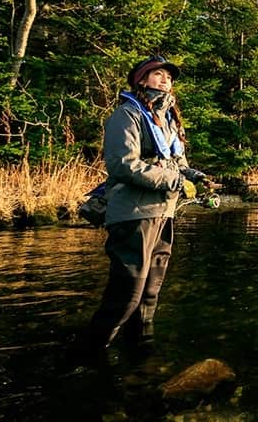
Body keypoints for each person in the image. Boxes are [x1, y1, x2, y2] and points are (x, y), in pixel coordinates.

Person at [78, 55, 210, 355]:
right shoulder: (126, 115)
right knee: (127, 294)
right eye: (158, 74)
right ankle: (87, 355)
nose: (166, 80)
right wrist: (176, 182)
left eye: (169, 77)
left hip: (164, 214)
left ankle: (140, 354)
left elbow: (178, 165)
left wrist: (196, 178)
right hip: (132, 215)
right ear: (141, 80)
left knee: (150, 293)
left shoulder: (169, 120)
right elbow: (124, 166)